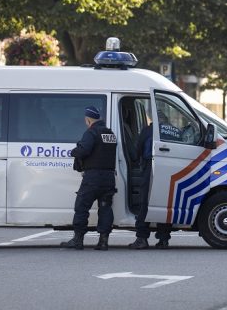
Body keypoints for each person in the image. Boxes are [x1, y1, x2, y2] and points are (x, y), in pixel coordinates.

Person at [61, 106, 117, 251]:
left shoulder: (91, 132)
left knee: (81, 206)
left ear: (88, 119)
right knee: (105, 208)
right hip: (109, 178)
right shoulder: (110, 133)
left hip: (93, 178)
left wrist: (74, 152)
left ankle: (78, 240)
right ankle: (103, 241)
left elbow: (84, 150)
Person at [129, 111, 174, 249]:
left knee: (145, 202)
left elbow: (137, 152)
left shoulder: (148, 131)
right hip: (170, 167)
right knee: (164, 203)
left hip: (151, 167)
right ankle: (164, 240)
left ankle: (142, 238)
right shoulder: (173, 131)